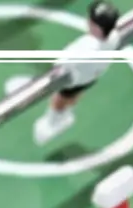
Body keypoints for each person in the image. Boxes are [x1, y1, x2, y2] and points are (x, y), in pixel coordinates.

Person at [33, 1, 121, 146]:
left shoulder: (86, 46)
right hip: (95, 73)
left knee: (61, 98)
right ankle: (64, 114)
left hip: (75, 77)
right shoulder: (113, 37)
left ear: (97, 27)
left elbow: (62, 63)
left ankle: (54, 121)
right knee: (75, 94)